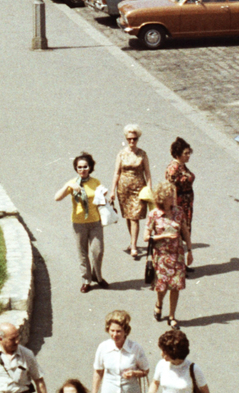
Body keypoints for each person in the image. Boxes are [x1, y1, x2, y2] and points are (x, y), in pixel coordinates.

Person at [54, 152, 105, 293]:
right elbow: (57, 197)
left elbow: (101, 200)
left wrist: (104, 197)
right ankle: (86, 280)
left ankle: (98, 276)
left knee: (98, 251)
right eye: (79, 167)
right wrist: (68, 186)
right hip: (79, 223)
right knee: (82, 253)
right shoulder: (72, 183)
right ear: (76, 169)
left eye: (85, 167)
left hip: (95, 221)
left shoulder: (96, 182)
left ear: (90, 167)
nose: (82, 170)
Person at [145, 182, 187, 324]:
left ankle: (171, 316)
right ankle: (159, 303)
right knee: (162, 286)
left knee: (176, 286)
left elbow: (185, 230)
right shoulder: (154, 215)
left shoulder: (179, 212)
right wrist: (164, 236)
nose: (173, 198)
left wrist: (191, 250)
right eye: (169, 196)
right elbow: (146, 237)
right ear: (162, 198)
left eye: (173, 195)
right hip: (161, 256)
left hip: (177, 255)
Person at [112, 125, 151, 258]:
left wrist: (149, 189)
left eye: (134, 139)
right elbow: (117, 173)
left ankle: (133, 246)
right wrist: (112, 190)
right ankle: (132, 241)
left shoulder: (142, 154)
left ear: (138, 139)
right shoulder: (121, 154)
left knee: (135, 217)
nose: (132, 141)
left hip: (138, 189)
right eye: (129, 139)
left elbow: (148, 173)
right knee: (128, 216)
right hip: (123, 189)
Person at [165, 137, 196, 268]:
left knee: (185, 232)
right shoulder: (174, 168)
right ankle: (178, 263)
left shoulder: (182, 166)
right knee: (179, 232)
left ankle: (183, 263)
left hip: (187, 204)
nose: (188, 156)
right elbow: (171, 189)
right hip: (179, 204)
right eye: (186, 153)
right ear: (178, 154)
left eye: (189, 153)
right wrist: (174, 208)